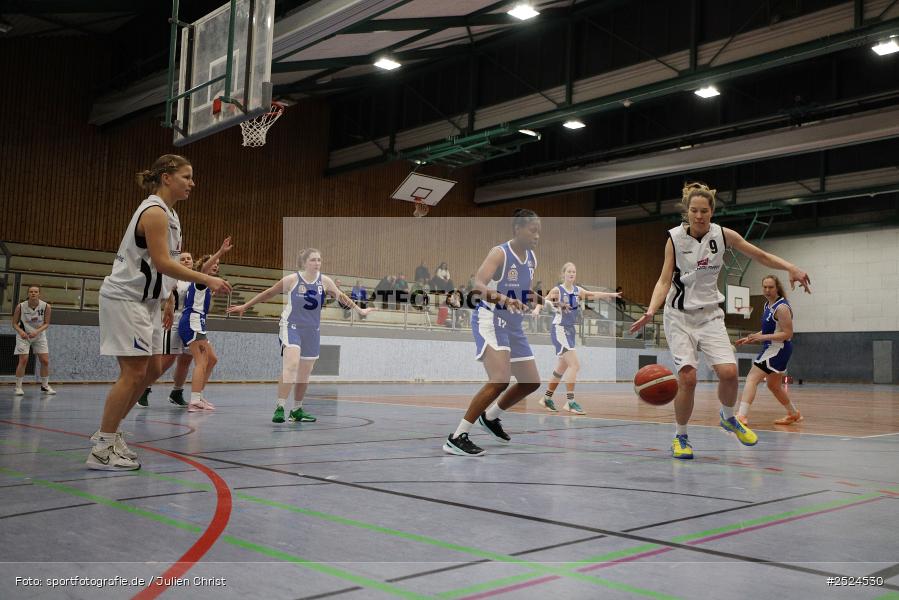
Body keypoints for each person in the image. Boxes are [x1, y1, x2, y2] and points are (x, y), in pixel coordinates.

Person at [629, 182, 810, 460]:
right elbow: (665, 279)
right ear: (686, 212)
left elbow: (759, 255)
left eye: (704, 210)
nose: (699, 216)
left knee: (728, 373)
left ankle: (727, 418)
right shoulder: (674, 239)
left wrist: (791, 267)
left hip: (710, 315)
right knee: (687, 378)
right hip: (679, 317)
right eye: (693, 210)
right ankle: (681, 436)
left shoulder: (723, 236)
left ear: (711, 212)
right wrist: (651, 310)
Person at [87, 154, 231, 471]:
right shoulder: (154, 212)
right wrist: (208, 278)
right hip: (126, 299)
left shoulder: (172, 216)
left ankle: (108, 435)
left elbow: (161, 270)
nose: (192, 183)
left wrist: (167, 300)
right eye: (187, 176)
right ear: (167, 177)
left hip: (149, 303)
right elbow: (165, 263)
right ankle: (102, 447)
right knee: (134, 373)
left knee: (152, 370)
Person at [228, 248, 375, 423]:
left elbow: (341, 297)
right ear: (304, 263)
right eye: (313, 260)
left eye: (319, 260)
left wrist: (360, 310)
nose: (317, 263)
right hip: (292, 326)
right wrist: (245, 306)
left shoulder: (325, 281)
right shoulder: (292, 280)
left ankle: (297, 410)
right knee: (291, 364)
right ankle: (280, 407)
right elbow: (268, 293)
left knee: (305, 373)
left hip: (312, 330)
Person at [443, 209, 543, 456]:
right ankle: (457, 437)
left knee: (531, 381)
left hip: (514, 323)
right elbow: (477, 286)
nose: (537, 235)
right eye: (533, 230)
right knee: (499, 380)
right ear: (517, 229)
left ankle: (490, 418)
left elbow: (525, 291)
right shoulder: (499, 253)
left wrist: (543, 300)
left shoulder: (532, 259)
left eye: (539, 231)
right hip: (491, 318)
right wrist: (504, 299)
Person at [139, 240, 232, 408]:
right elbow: (166, 292)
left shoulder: (196, 281)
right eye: (183, 259)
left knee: (195, 361)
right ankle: (144, 389)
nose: (187, 260)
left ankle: (180, 392)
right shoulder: (178, 278)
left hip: (191, 320)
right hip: (178, 321)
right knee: (168, 359)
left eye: (189, 258)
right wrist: (168, 302)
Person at [539, 263, 620, 415]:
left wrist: (611, 295)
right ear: (563, 274)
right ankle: (570, 402)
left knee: (562, 367)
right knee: (575, 365)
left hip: (570, 331)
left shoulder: (578, 291)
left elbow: (593, 294)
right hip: (559, 329)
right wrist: (537, 310)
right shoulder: (558, 290)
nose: (571, 274)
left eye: (574, 272)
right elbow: (543, 300)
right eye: (569, 271)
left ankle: (546, 398)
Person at [735, 275, 802, 425]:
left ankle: (741, 415)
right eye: (764, 287)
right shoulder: (768, 305)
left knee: (752, 378)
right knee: (773, 385)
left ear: (777, 288)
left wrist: (763, 338)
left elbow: (787, 334)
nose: (767, 290)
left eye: (770, 287)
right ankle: (793, 413)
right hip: (772, 347)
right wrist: (751, 338)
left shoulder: (782, 307)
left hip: (778, 348)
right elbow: (768, 330)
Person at [178, 246, 232, 412]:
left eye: (218, 263)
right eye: (213, 263)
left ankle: (199, 396)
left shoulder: (206, 285)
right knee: (201, 361)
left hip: (198, 323)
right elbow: (204, 269)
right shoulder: (201, 279)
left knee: (212, 359)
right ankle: (194, 400)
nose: (216, 265)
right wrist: (221, 251)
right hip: (192, 322)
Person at [11, 286, 54, 395]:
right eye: (31, 292)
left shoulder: (46, 306)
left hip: (39, 335)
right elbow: (14, 323)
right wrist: (21, 332)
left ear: (39, 294)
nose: (33, 293)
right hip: (24, 335)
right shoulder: (20, 306)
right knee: (23, 360)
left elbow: (47, 323)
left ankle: (45, 386)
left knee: (45, 361)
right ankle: (18, 387)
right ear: (28, 293)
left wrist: (37, 331)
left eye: (35, 292)